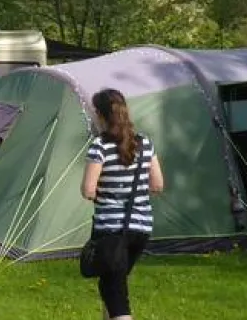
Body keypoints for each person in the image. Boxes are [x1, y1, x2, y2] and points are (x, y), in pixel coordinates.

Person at [80, 88, 164, 320]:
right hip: (141, 229)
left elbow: (88, 190)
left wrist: (106, 190)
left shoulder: (100, 146)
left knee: (115, 295)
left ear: (100, 114)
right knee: (113, 286)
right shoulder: (145, 144)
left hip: (110, 231)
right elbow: (157, 185)